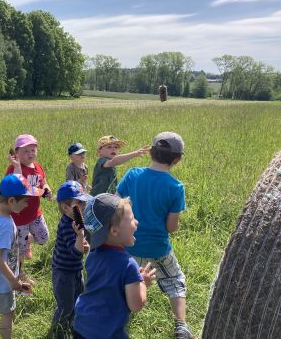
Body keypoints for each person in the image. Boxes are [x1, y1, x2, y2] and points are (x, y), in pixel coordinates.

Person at [116, 132, 194, 339]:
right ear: (177, 159)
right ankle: (181, 326)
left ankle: (118, 320)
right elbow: (171, 227)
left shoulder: (132, 174)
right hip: (159, 248)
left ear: (150, 151)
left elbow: (116, 207)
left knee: (128, 281)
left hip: (129, 246)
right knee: (174, 280)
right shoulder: (176, 187)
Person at [73, 194, 156, 339]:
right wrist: (143, 282)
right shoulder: (128, 265)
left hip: (81, 325)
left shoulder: (92, 254)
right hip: (106, 332)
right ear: (114, 231)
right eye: (131, 219)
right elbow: (136, 305)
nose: (136, 223)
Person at [0, 174, 42, 339]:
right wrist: (13, 280)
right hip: (2, 281)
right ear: (12, 201)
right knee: (8, 313)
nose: (27, 204)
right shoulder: (6, 225)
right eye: (25, 200)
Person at [6, 134, 52, 274]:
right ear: (16, 153)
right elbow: (21, 187)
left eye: (33, 150)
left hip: (35, 213)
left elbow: (43, 182)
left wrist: (46, 189)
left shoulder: (38, 167)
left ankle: (28, 240)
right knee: (20, 249)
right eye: (26, 151)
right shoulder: (13, 169)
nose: (30, 153)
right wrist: (16, 166)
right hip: (20, 217)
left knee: (44, 237)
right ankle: (21, 273)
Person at [51, 181, 92, 337]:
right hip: (63, 273)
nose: (83, 205)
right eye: (79, 203)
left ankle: (72, 324)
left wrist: (83, 243)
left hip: (75, 269)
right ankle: (58, 329)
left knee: (77, 299)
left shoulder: (75, 222)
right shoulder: (68, 226)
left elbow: (78, 248)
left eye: (84, 202)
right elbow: (75, 253)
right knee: (66, 305)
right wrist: (80, 236)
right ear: (65, 207)